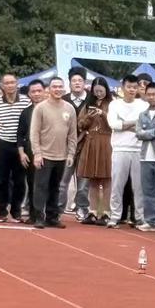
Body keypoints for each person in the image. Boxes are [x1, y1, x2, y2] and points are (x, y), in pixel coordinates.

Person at [28, 76, 77, 228]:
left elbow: (72, 134)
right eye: (54, 87)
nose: (57, 89)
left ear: (64, 89)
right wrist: (37, 153)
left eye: (60, 87)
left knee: (56, 187)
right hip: (44, 155)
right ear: (49, 89)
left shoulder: (69, 108)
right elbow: (34, 132)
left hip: (61, 156)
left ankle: (52, 217)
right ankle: (39, 217)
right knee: (41, 187)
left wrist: (71, 153)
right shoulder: (40, 108)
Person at [106, 74, 147, 228]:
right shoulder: (114, 104)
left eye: (134, 87)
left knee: (139, 186)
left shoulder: (143, 105)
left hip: (138, 149)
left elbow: (144, 126)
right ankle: (115, 216)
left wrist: (124, 124)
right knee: (117, 184)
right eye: (129, 87)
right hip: (119, 148)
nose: (131, 90)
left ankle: (140, 216)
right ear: (123, 87)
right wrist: (133, 124)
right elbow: (113, 124)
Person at [0, 72, 31, 223]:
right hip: (3, 144)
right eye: (6, 83)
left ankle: (16, 211)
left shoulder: (26, 101)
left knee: (20, 180)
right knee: (2, 179)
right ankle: (2, 210)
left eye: (12, 82)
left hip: (21, 146)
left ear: (17, 84)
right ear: (2, 86)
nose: (10, 85)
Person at [77, 77, 113, 224]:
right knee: (92, 179)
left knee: (106, 178)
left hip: (106, 141)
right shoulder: (88, 104)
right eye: (96, 91)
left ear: (106, 90)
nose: (98, 94)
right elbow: (80, 125)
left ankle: (106, 212)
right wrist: (88, 117)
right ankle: (92, 211)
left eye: (101, 91)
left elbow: (114, 123)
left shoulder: (112, 103)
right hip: (91, 141)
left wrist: (102, 114)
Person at [16, 80, 47, 223]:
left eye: (39, 91)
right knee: (33, 183)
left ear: (44, 91)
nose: (36, 94)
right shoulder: (26, 112)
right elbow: (20, 135)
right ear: (29, 94)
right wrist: (22, 153)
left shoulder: (51, 109)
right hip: (30, 152)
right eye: (33, 91)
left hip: (50, 151)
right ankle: (34, 215)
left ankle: (51, 215)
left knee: (49, 184)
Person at [136, 81, 155, 232]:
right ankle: (150, 220)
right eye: (149, 94)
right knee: (147, 192)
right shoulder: (143, 114)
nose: (151, 97)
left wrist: (149, 132)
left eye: (154, 94)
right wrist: (154, 132)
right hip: (145, 157)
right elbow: (138, 133)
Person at [61, 68, 90, 220]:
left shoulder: (91, 99)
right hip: (66, 147)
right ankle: (58, 209)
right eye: (74, 81)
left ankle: (82, 209)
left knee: (83, 182)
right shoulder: (63, 100)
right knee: (62, 180)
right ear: (70, 83)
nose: (77, 83)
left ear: (84, 82)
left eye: (80, 80)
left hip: (86, 146)